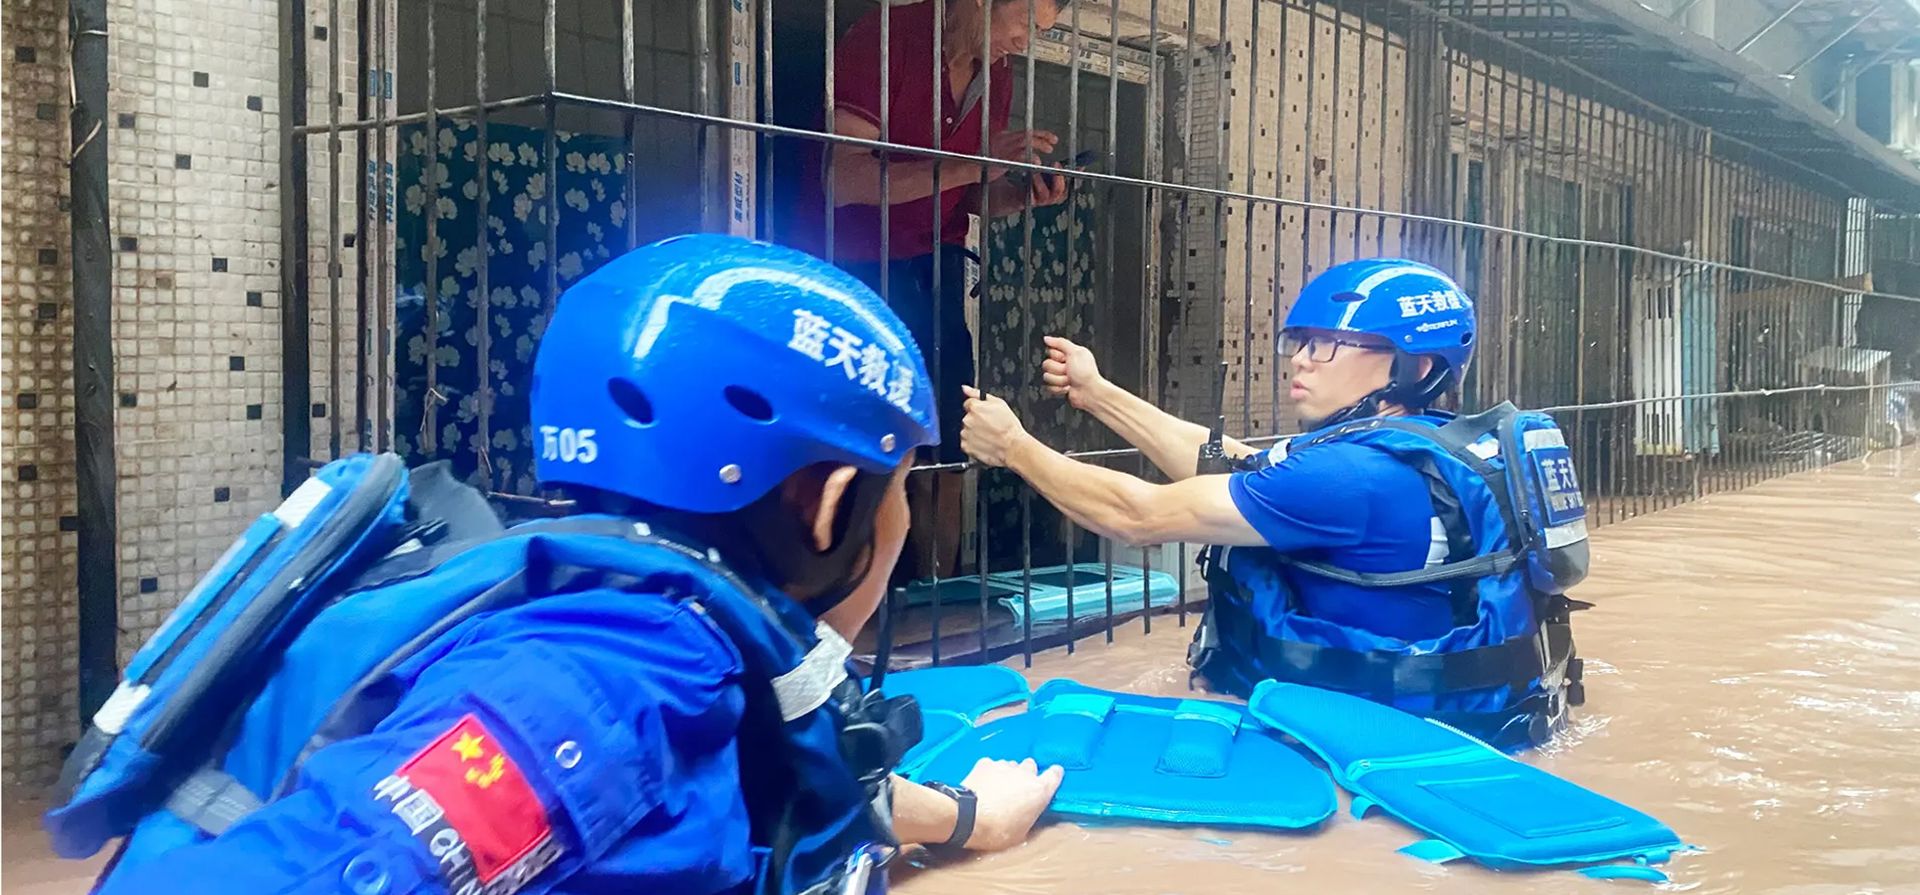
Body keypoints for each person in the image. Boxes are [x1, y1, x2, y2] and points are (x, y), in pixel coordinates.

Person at [65, 235, 1062, 894]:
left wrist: (976, 816)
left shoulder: (665, 644)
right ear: (828, 505)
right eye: (898, 492)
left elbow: (807, 781)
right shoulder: (615, 670)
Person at [958, 259, 1587, 748]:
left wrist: (1013, 446)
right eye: (1301, 341)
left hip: (1376, 739)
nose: (1301, 362)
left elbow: (1137, 516)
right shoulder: (1421, 448)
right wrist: (1099, 395)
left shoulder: (1351, 477)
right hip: (1477, 721)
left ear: (1412, 364)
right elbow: (1236, 466)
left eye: (1329, 345)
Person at [794, 0, 1073, 585]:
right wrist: (974, 164)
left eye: (1041, 31)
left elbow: (966, 197)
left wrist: (1019, 195)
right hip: (854, 269)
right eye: (1024, 21)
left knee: (949, 444)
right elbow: (840, 178)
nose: (1026, 41)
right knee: (874, 448)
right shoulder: (886, 36)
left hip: (936, 265)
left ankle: (941, 596)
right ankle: (857, 596)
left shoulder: (995, 73)